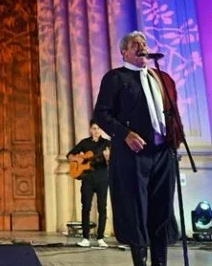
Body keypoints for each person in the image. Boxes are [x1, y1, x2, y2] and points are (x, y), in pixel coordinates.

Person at [93, 31, 185, 266]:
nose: (141, 47)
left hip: (163, 152)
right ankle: (140, 263)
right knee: (136, 209)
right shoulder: (116, 78)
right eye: (135, 44)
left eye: (143, 44)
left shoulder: (161, 78)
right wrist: (125, 134)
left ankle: (160, 262)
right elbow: (101, 115)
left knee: (162, 208)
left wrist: (176, 141)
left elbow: (173, 114)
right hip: (133, 155)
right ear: (124, 52)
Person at [66, 121, 110, 248]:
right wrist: (77, 159)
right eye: (94, 128)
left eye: (98, 128)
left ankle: (100, 237)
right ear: (90, 129)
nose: (96, 131)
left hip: (102, 178)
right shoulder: (84, 143)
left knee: (102, 208)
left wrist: (107, 158)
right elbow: (69, 155)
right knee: (86, 208)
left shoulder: (106, 143)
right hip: (87, 179)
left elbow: (111, 161)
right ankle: (85, 238)